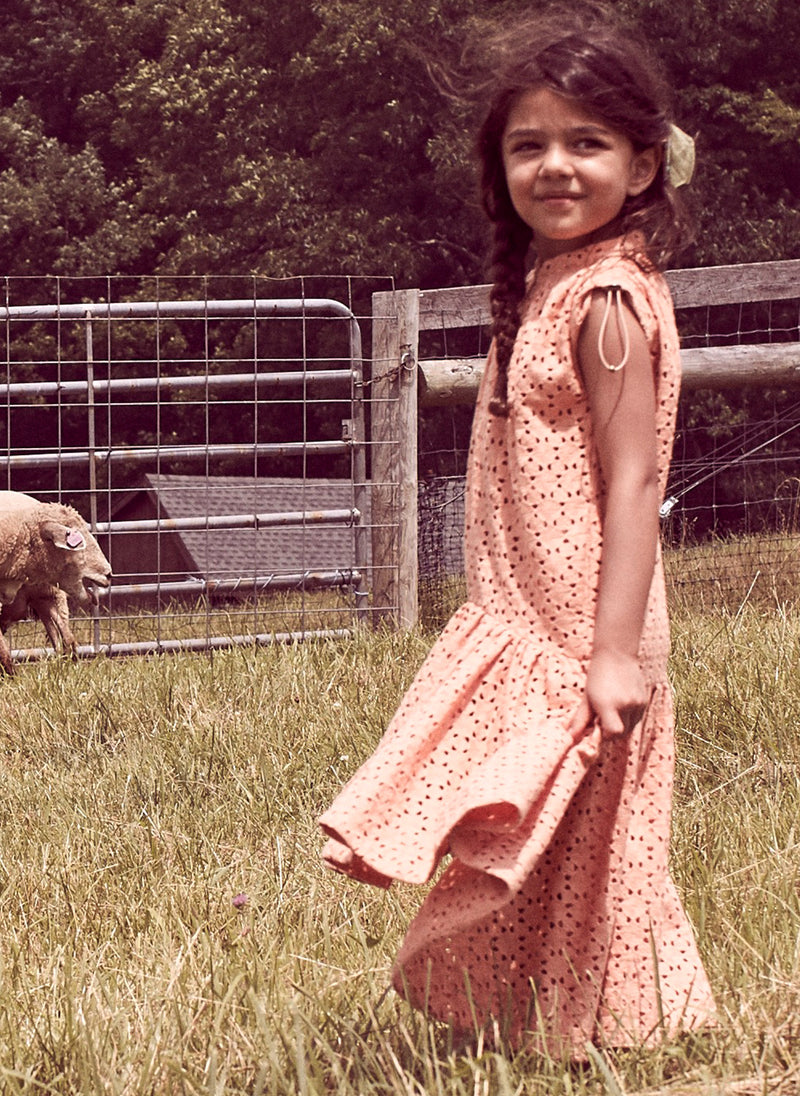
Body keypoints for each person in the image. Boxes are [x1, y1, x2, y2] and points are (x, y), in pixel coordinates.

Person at [320, 1, 716, 1056]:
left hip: (585, 631)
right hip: (534, 616)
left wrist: (611, 652)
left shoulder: (607, 302)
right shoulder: (553, 285)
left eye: (586, 142)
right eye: (528, 145)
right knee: (537, 846)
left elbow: (634, 480)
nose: (555, 166)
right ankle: (547, 1030)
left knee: (590, 853)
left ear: (641, 165)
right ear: (497, 170)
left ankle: (624, 1034)